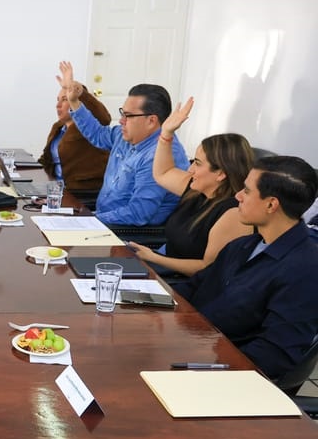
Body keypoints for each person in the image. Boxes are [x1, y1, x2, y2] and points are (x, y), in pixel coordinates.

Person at [174, 155, 318, 382]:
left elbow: (274, 353)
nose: (237, 196)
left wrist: (203, 366)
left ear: (271, 205)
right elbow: (194, 286)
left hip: (222, 372)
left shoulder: (305, 268)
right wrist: (146, 305)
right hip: (190, 343)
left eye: (247, 191)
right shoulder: (243, 245)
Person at [127, 97, 255, 276]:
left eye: (198, 163)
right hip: (161, 263)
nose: (190, 169)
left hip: (180, 280)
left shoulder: (233, 213)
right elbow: (163, 173)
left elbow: (208, 270)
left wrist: (154, 258)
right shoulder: (198, 189)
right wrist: (166, 133)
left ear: (221, 173)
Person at [57, 61, 187, 225]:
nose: (121, 121)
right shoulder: (124, 134)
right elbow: (98, 134)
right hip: (102, 220)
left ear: (151, 121)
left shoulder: (159, 156)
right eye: (122, 113)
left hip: (127, 232)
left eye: (128, 116)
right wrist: (74, 102)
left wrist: (88, 221)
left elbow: (138, 213)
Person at [39, 84, 111, 193]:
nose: (58, 105)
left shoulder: (87, 127)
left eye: (64, 100)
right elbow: (46, 159)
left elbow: (104, 118)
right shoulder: (58, 127)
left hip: (81, 191)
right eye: (58, 100)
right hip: (56, 188)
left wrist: (81, 93)